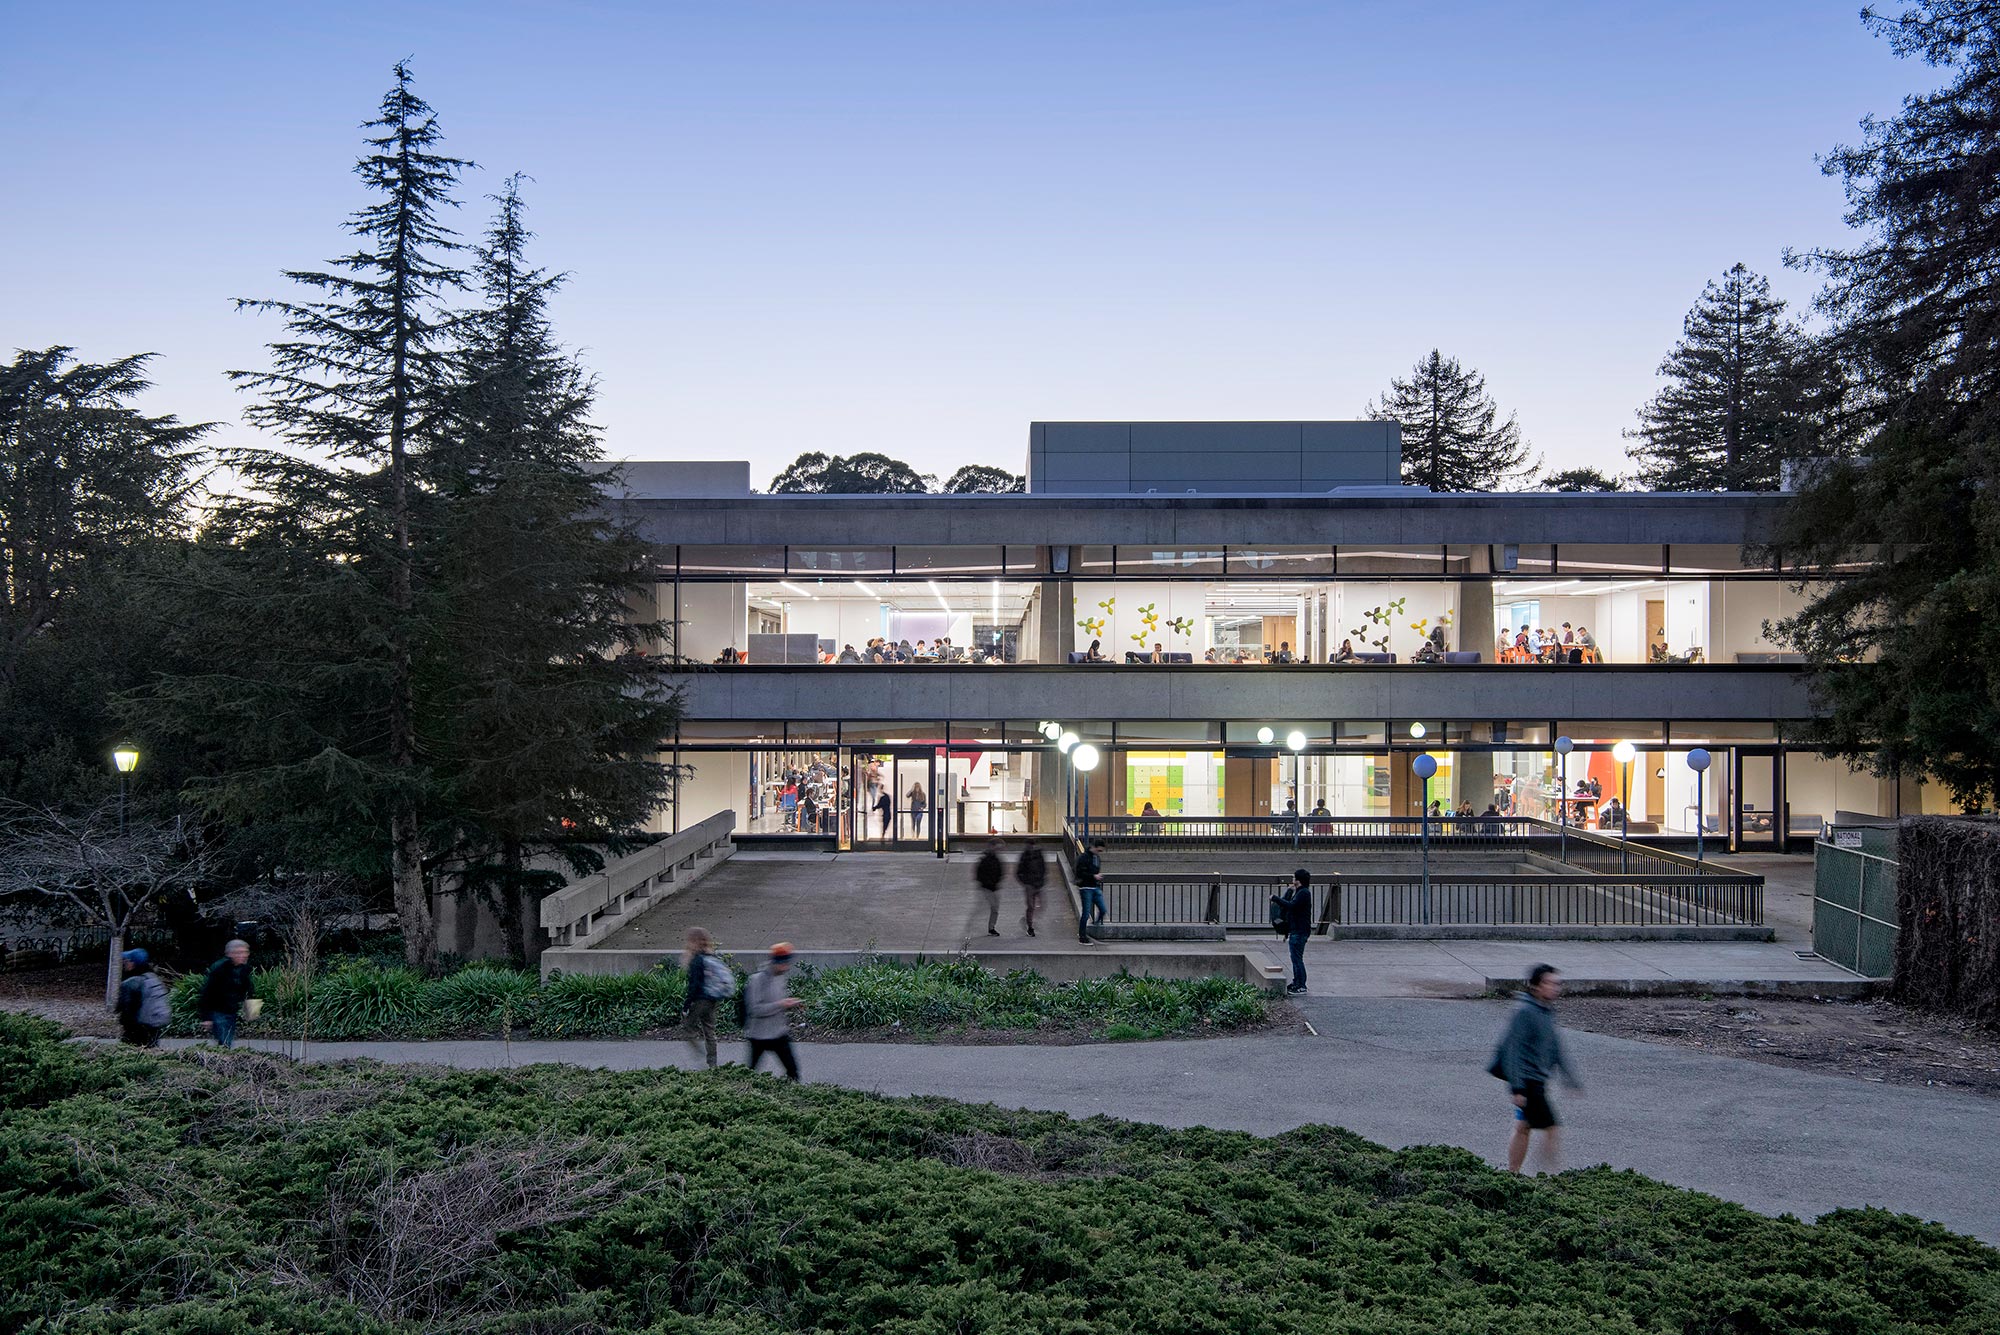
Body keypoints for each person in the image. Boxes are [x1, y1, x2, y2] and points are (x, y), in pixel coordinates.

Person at [1489, 964, 1581, 1173]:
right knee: (1552, 1128)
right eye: (1549, 983)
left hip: (1535, 1080)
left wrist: (1570, 1079)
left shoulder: (1545, 1011)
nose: (1555, 988)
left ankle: (1512, 1174)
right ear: (1536, 987)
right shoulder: (1525, 1012)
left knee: (1523, 1128)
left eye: (1557, 984)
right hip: (1528, 1082)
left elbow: (1556, 1049)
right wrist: (1518, 1088)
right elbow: (1513, 1051)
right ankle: (1551, 1175)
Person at [743, 942, 804, 1080]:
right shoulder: (756, 980)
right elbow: (755, 1009)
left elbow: (777, 1002)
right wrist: (781, 1004)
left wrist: (790, 1003)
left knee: (793, 1072)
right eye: (784, 964)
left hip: (778, 1033)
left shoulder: (780, 977)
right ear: (775, 962)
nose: (787, 967)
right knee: (749, 1073)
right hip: (759, 1035)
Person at [681, 927, 731, 1069]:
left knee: (688, 1028)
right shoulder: (711, 957)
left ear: (693, 942)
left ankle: (700, 1056)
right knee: (709, 1031)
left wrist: (686, 1006)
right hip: (713, 999)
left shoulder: (696, 960)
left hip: (700, 1000)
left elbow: (694, 986)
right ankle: (712, 1063)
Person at [197, 938, 254, 1048]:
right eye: (240, 952)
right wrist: (206, 1017)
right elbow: (207, 993)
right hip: (218, 1010)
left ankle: (223, 1060)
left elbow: (249, 989)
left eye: (246, 952)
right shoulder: (219, 968)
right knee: (225, 1042)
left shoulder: (244, 969)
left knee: (227, 1041)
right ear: (231, 954)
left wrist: (251, 1011)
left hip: (232, 1010)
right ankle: (222, 1062)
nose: (244, 955)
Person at [113, 948, 170, 1048]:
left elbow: (126, 1010)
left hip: (136, 1029)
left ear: (133, 963)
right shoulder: (153, 978)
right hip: (154, 1026)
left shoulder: (131, 983)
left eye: (126, 961)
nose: (124, 963)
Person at [1274, 869, 1316, 994]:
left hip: (1299, 930)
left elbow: (1291, 906)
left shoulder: (1303, 893)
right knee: (1295, 958)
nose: (1292, 880)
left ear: (1298, 880)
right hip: (1296, 930)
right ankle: (1297, 982)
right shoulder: (1300, 892)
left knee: (1297, 958)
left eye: (1294, 878)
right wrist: (1290, 890)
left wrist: (1276, 898)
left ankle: (1301, 985)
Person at [1074, 839, 1107, 943]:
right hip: (1086, 887)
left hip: (1093, 887)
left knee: (1102, 909)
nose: (1099, 852)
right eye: (1098, 850)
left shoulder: (1096, 857)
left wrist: (1095, 877)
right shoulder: (1084, 858)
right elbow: (1080, 873)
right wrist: (1094, 876)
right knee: (1086, 913)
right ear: (1094, 847)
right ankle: (1082, 936)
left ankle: (1091, 928)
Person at [974, 838, 1005, 935]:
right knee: (991, 907)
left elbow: (1000, 871)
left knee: (994, 908)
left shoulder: (996, 858)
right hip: (987, 887)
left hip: (993, 887)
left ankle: (991, 927)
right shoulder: (986, 858)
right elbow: (980, 873)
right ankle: (989, 927)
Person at [1016, 841, 1047, 936]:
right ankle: (1030, 926)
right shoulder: (1025, 856)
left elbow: (1043, 868)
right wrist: (1026, 882)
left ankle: (1028, 920)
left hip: (1037, 883)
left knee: (1040, 906)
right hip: (1030, 884)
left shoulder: (1038, 855)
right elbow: (1019, 871)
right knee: (1031, 906)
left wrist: (1041, 880)